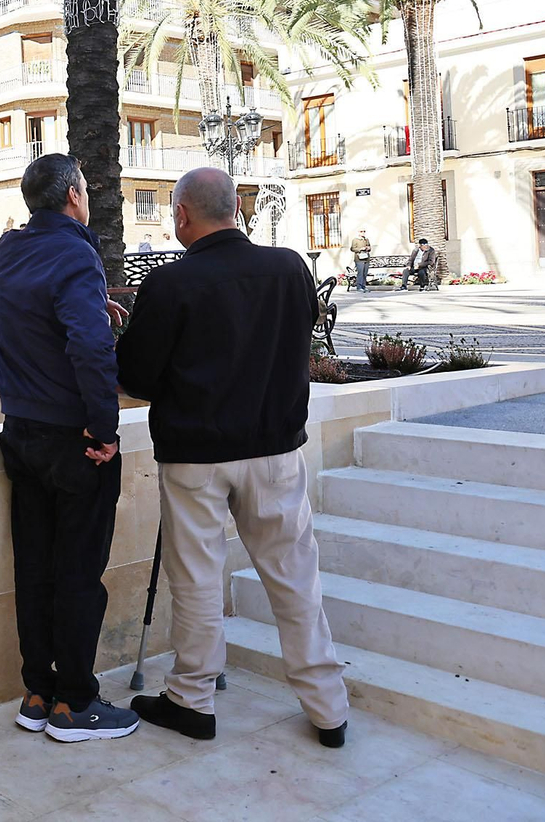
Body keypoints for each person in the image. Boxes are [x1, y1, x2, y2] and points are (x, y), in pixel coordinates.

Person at [115, 167, 349, 748]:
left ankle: (191, 700)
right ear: (237, 209)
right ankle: (328, 709)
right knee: (295, 577)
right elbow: (300, 335)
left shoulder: (168, 284)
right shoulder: (291, 267)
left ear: (183, 215)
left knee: (196, 579)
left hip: (196, 457)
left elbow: (136, 379)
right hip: (274, 451)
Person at [0, 153, 139, 743]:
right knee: (78, 572)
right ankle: (76, 702)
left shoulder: (6, 252)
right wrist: (106, 430)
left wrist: (91, 307)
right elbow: (88, 350)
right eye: (85, 188)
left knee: (36, 568)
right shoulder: (77, 253)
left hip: (21, 433)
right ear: (74, 196)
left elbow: (33, 314)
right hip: (72, 442)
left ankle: (37, 692)